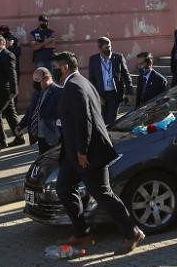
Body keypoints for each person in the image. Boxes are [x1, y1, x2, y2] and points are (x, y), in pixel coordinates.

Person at [52, 52, 145, 252]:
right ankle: (81, 234)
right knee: (64, 187)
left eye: (56, 67)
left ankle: (132, 232)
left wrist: (82, 151)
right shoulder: (79, 82)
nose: (54, 71)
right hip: (72, 153)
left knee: (103, 194)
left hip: (87, 153)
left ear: (65, 67)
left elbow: (84, 120)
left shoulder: (76, 86)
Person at [0, 34, 24, 150]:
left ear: (2, 43)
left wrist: (14, 90)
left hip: (4, 91)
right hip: (0, 90)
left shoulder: (7, 55)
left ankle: (1, 141)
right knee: (11, 114)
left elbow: (12, 73)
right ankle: (19, 137)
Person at [17, 67, 62, 154]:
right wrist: (21, 125)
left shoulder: (58, 93)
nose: (36, 84)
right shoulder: (37, 92)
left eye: (38, 80)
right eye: (34, 80)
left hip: (53, 137)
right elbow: (31, 111)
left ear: (48, 78)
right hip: (40, 137)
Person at [87, 37, 132, 126]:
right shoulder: (93, 60)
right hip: (101, 94)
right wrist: (97, 96)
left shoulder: (118, 57)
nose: (109, 49)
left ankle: (111, 137)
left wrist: (129, 92)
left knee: (111, 119)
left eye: (110, 46)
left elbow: (126, 75)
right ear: (100, 48)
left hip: (115, 93)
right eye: (106, 48)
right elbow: (92, 79)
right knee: (102, 119)